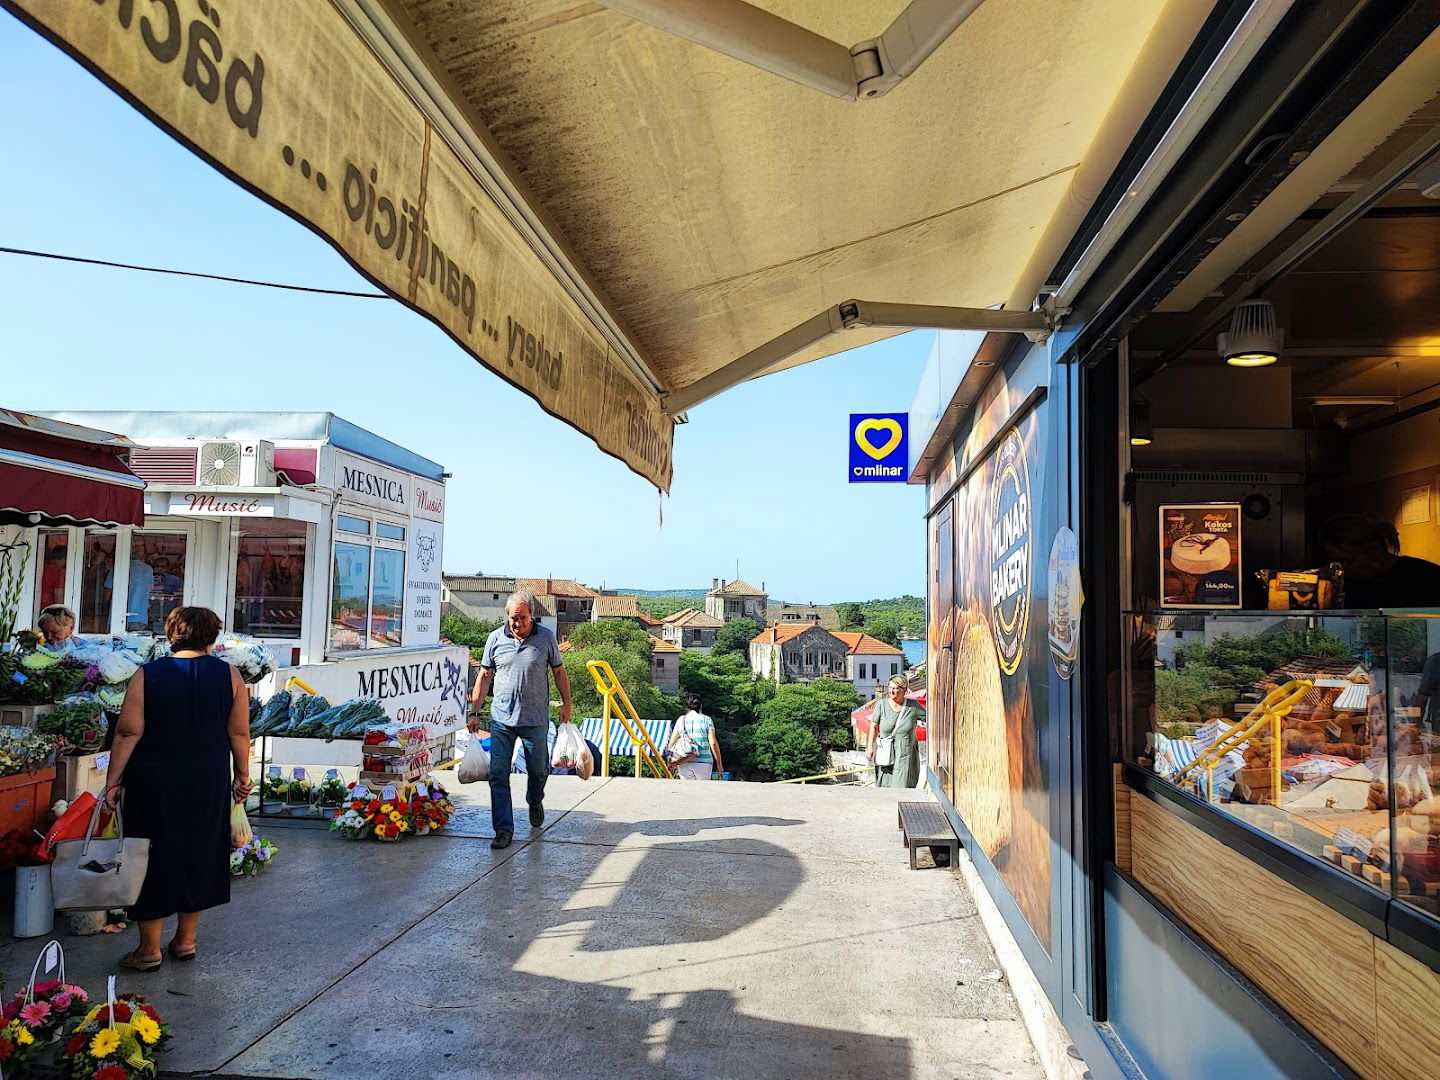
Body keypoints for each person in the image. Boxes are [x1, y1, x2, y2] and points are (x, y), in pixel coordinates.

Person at [102, 606, 253, 971]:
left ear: (173, 633)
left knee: (151, 855)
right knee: (199, 851)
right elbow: (239, 732)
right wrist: (242, 776)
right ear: (211, 637)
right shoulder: (230, 676)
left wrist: (113, 781)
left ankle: (148, 950)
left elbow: (128, 731)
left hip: (153, 780)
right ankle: (185, 942)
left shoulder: (148, 675)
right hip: (207, 778)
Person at [468, 591, 572, 850]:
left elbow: (559, 672)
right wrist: (474, 712)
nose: (517, 624)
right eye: (513, 618)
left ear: (531, 616)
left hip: (535, 720)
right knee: (498, 774)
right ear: (507, 617)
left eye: (523, 618)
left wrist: (567, 703)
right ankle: (503, 830)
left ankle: (535, 800)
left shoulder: (546, 638)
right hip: (502, 721)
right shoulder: (495, 639)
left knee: (538, 771)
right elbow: (483, 676)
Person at [1318, 515, 1440, 609]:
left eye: (1348, 560)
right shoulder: (1345, 585)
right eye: (1334, 562)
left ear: (1373, 551)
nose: (1341, 569)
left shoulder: (1424, 577)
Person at [868, 675, 925, 789]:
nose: (892, 691)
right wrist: (870, 747)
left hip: (905, 754)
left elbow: (931, 719)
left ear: (904, 690)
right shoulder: (882, 705)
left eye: (895, 688)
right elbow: (873, 726)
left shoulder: (913, 707)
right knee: (884, 785)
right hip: (886, 752)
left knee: (901, 786)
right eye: (890, 688)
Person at [665, 693, 723, 781]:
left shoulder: (681, 720)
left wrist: (671, 763)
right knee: (702, 791)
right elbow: (713, 743)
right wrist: (719, 764)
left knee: (687, 791)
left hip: (684, 761)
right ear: (701, 705)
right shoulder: (707, 720)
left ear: (686, 706)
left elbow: (671, 744)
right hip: (704, 763)